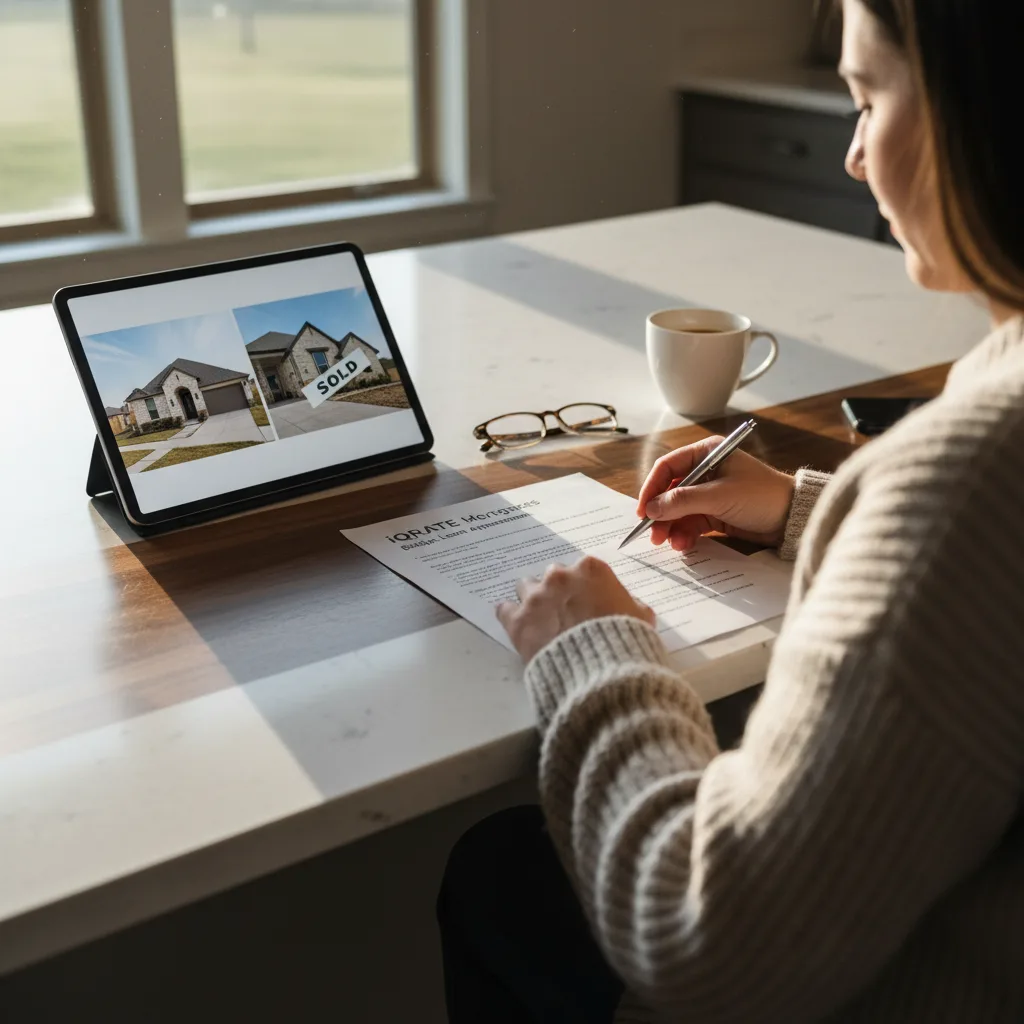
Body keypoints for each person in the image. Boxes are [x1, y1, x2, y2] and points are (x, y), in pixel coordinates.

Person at [436, 0, 1024, 1020]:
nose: (850, 155)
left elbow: (710, 943)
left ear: (982, 108)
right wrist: (815, 513)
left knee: (496, 875)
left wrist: (596, 651)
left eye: (867, 95)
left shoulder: (968, 473)